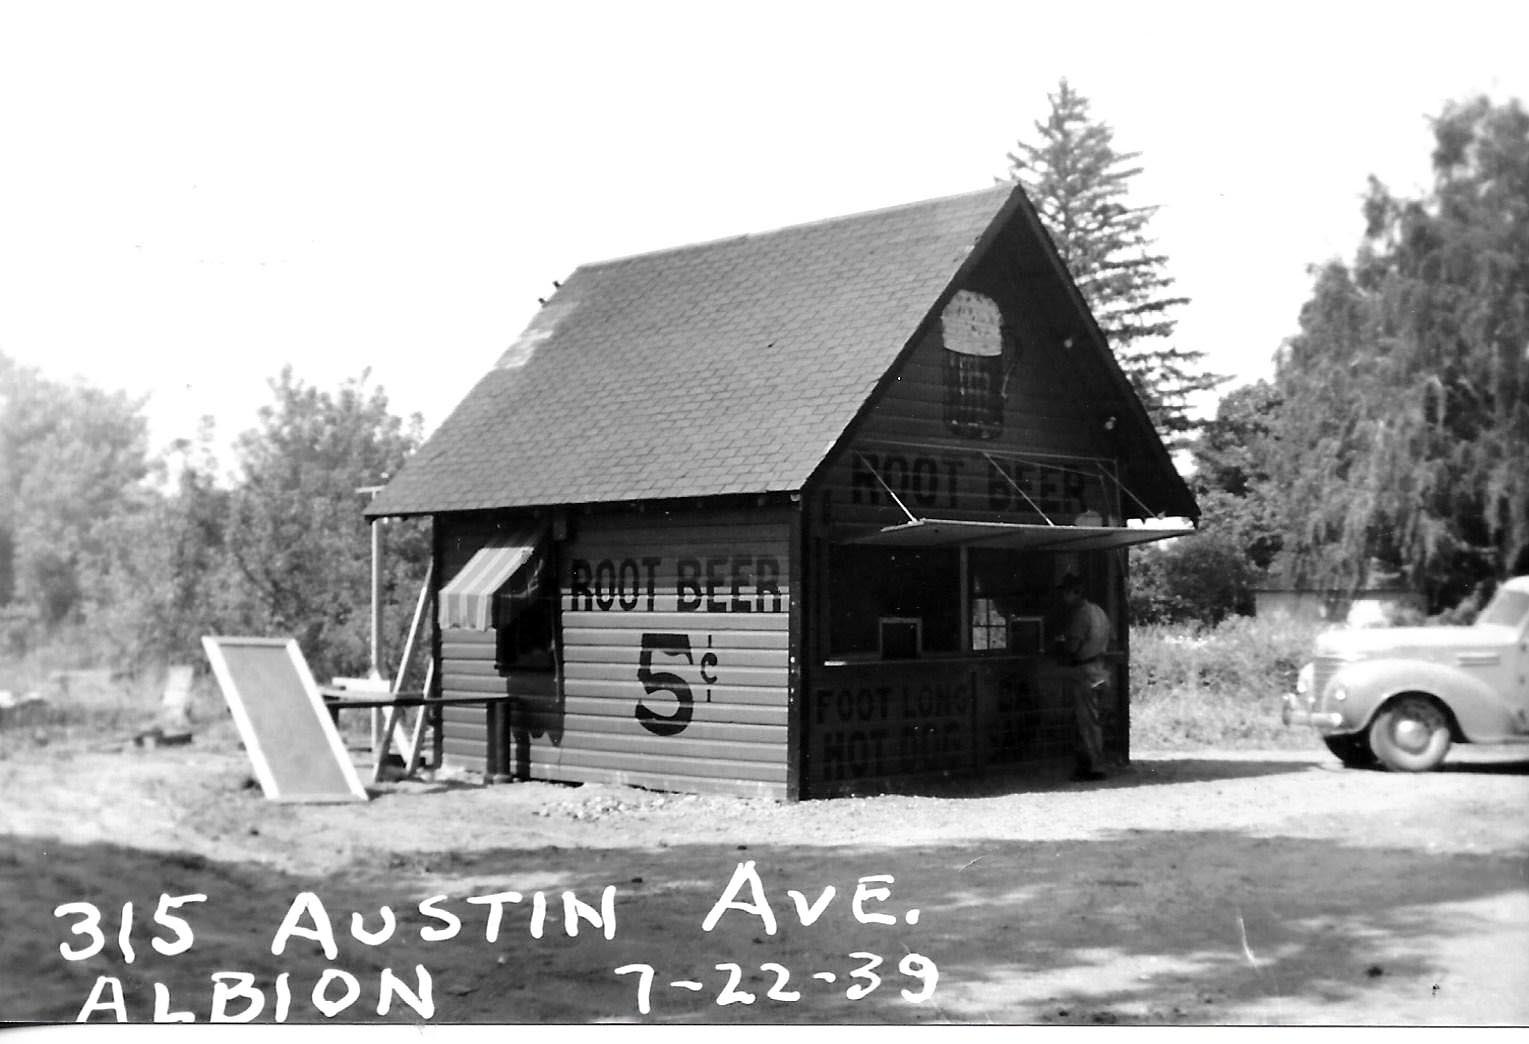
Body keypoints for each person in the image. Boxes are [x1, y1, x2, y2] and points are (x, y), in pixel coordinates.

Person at [1055, 573, 1113, 781]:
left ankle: (1092, 767)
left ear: (1075, 592)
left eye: (1065, 591)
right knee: (1094, 720)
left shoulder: (1080, 614)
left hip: (1084, 671)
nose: (1063, 596)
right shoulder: (1099, 611)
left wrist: (1058, 646)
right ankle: (1096, 763)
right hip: (1100, 668)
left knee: (1085, 722)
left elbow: (1072, 646)